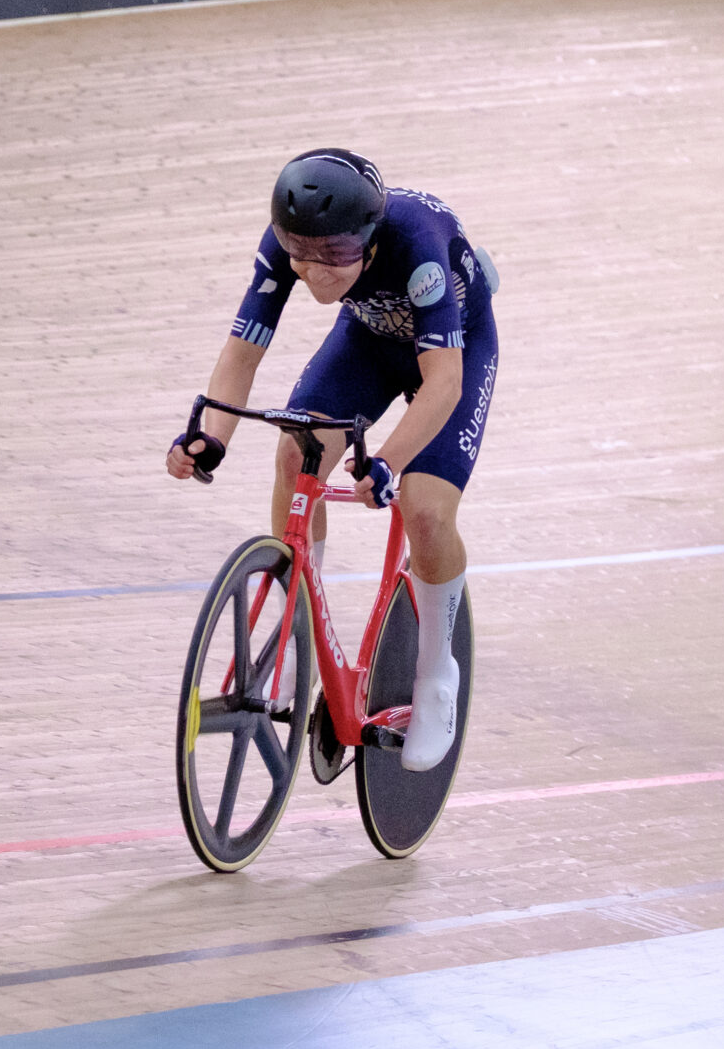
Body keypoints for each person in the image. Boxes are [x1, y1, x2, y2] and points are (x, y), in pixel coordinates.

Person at [167, 149, 499, 770]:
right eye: (301, 254)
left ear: (369, 241)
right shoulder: (286, 243)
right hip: (369, 342)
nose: (316, 273)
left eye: (336, 254)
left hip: (454, 351)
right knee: (297, 454)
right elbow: (241, 352)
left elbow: (444, 384)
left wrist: (388, 461)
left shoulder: (418, 246)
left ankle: (436, 671)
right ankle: (298, 635)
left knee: (426, 510)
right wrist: (213, 438)